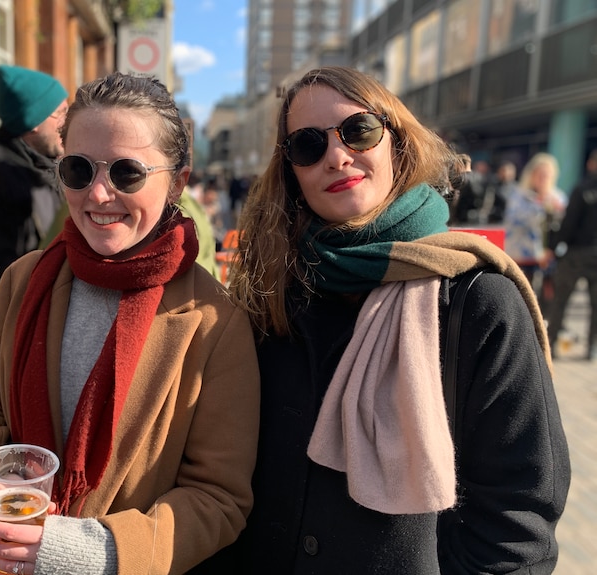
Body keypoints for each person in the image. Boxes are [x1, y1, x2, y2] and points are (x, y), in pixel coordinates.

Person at [216, 66, 570, 573]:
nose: (337, 156)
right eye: (308, 146)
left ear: (396, 142)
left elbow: (518, 520)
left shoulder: (478, 300)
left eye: (359, 131)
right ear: (291, 169)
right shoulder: (271, 287)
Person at [0, 72, 260, 575]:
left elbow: (218, 499)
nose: (97, 193)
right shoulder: (22, 281)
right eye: (77, 168)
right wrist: (8, 491)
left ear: (177, 181)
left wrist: (84, 551)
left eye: (127, 173)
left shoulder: (214, 322)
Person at [0, 65, 69, 326]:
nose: (68, 123)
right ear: (33, 122)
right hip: (20, 330)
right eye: (61, 113)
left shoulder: (41, 166)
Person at [546, 149, 597, 360]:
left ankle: (551, 345)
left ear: (591, 164)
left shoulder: (581, 189)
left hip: (576, 254)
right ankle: (591, 349)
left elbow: (569, 223)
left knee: (561, 302)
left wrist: (555, 248)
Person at [503, 152, 567, 311]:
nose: (544, 178)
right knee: (522, 298)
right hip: (522, 256)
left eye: (548, 175)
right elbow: (513, 220)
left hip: (549, 258)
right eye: (540, 174)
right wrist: (540, 207)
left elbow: (566, 225)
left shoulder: (558, 197)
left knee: (546, 301)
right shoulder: (519, 195)